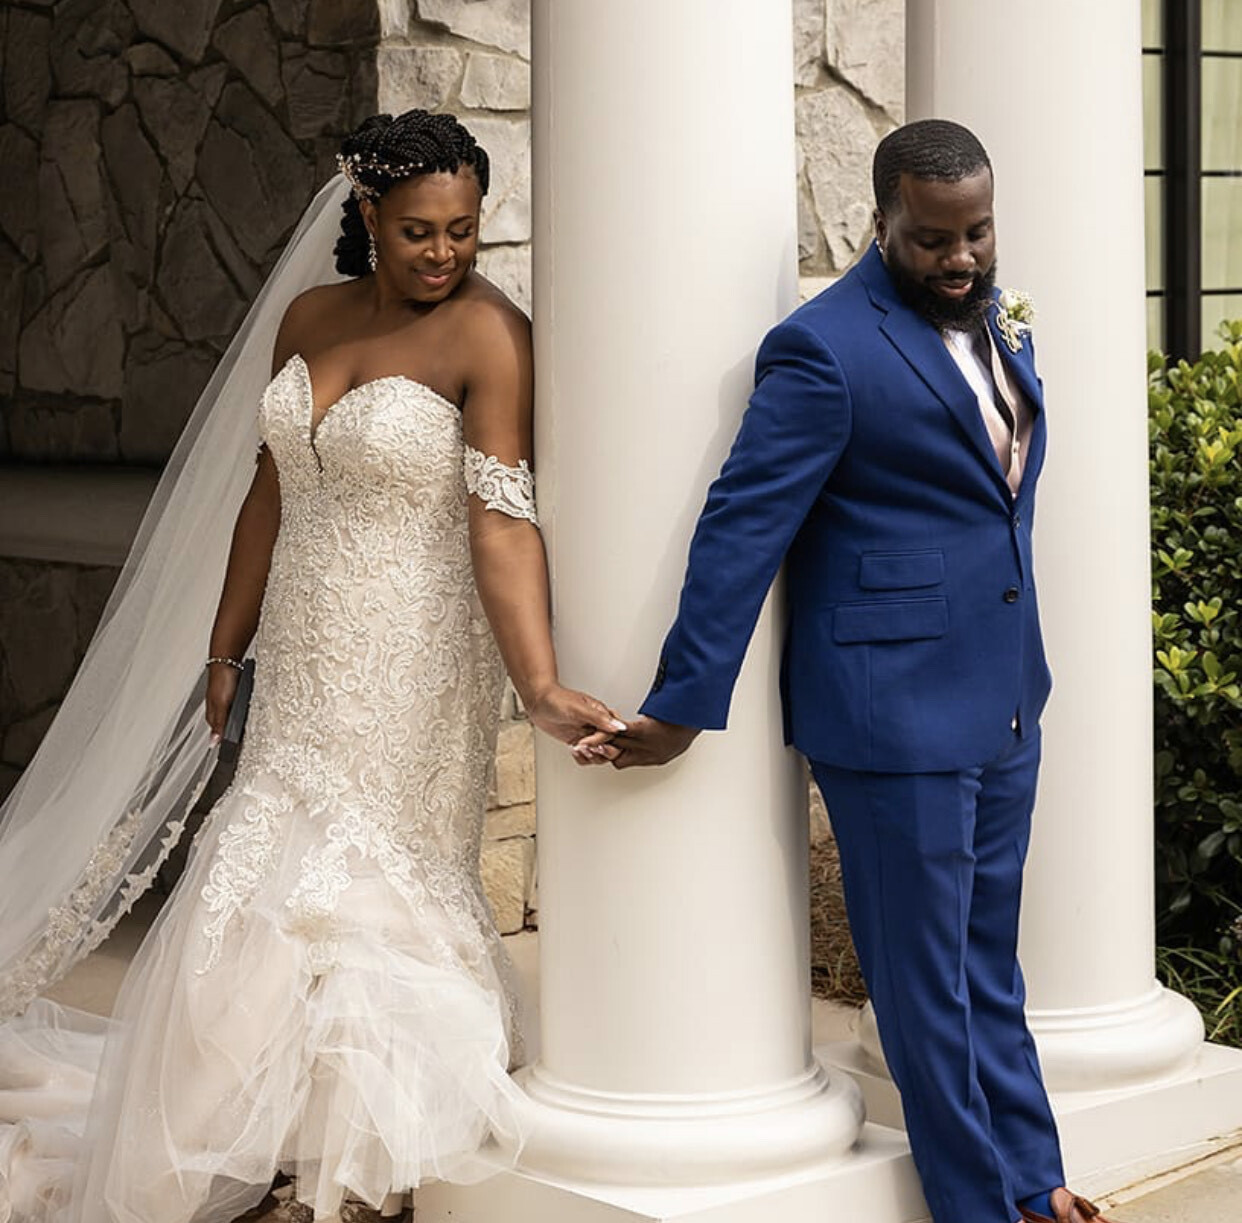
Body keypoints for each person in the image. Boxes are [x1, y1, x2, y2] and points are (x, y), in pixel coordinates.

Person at [0, 109, 624, 1223]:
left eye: (466, 232)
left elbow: (501, 519)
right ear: (368, 218)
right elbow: (268, 489)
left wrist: (535, 683)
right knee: (257, 864)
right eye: (421, 232)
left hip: (413, 649)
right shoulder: (307, 316)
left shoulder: (489, 335)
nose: (445, 255)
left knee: (364, 886)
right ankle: (266, 1138)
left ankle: (357, 1167)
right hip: (304, 642)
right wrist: (225, 642)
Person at [580, 120, 1119, 1223]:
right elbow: (742, 527)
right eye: (931, 239)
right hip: (894, 713)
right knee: (926, 986)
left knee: (987, 966)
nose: (961, 257)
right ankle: (982, 1205)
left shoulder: (997, 325)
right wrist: (685, 701)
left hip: (1007, 695)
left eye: (976, 231)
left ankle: (1035, 1178)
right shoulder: (823, 347)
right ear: (878, 222)